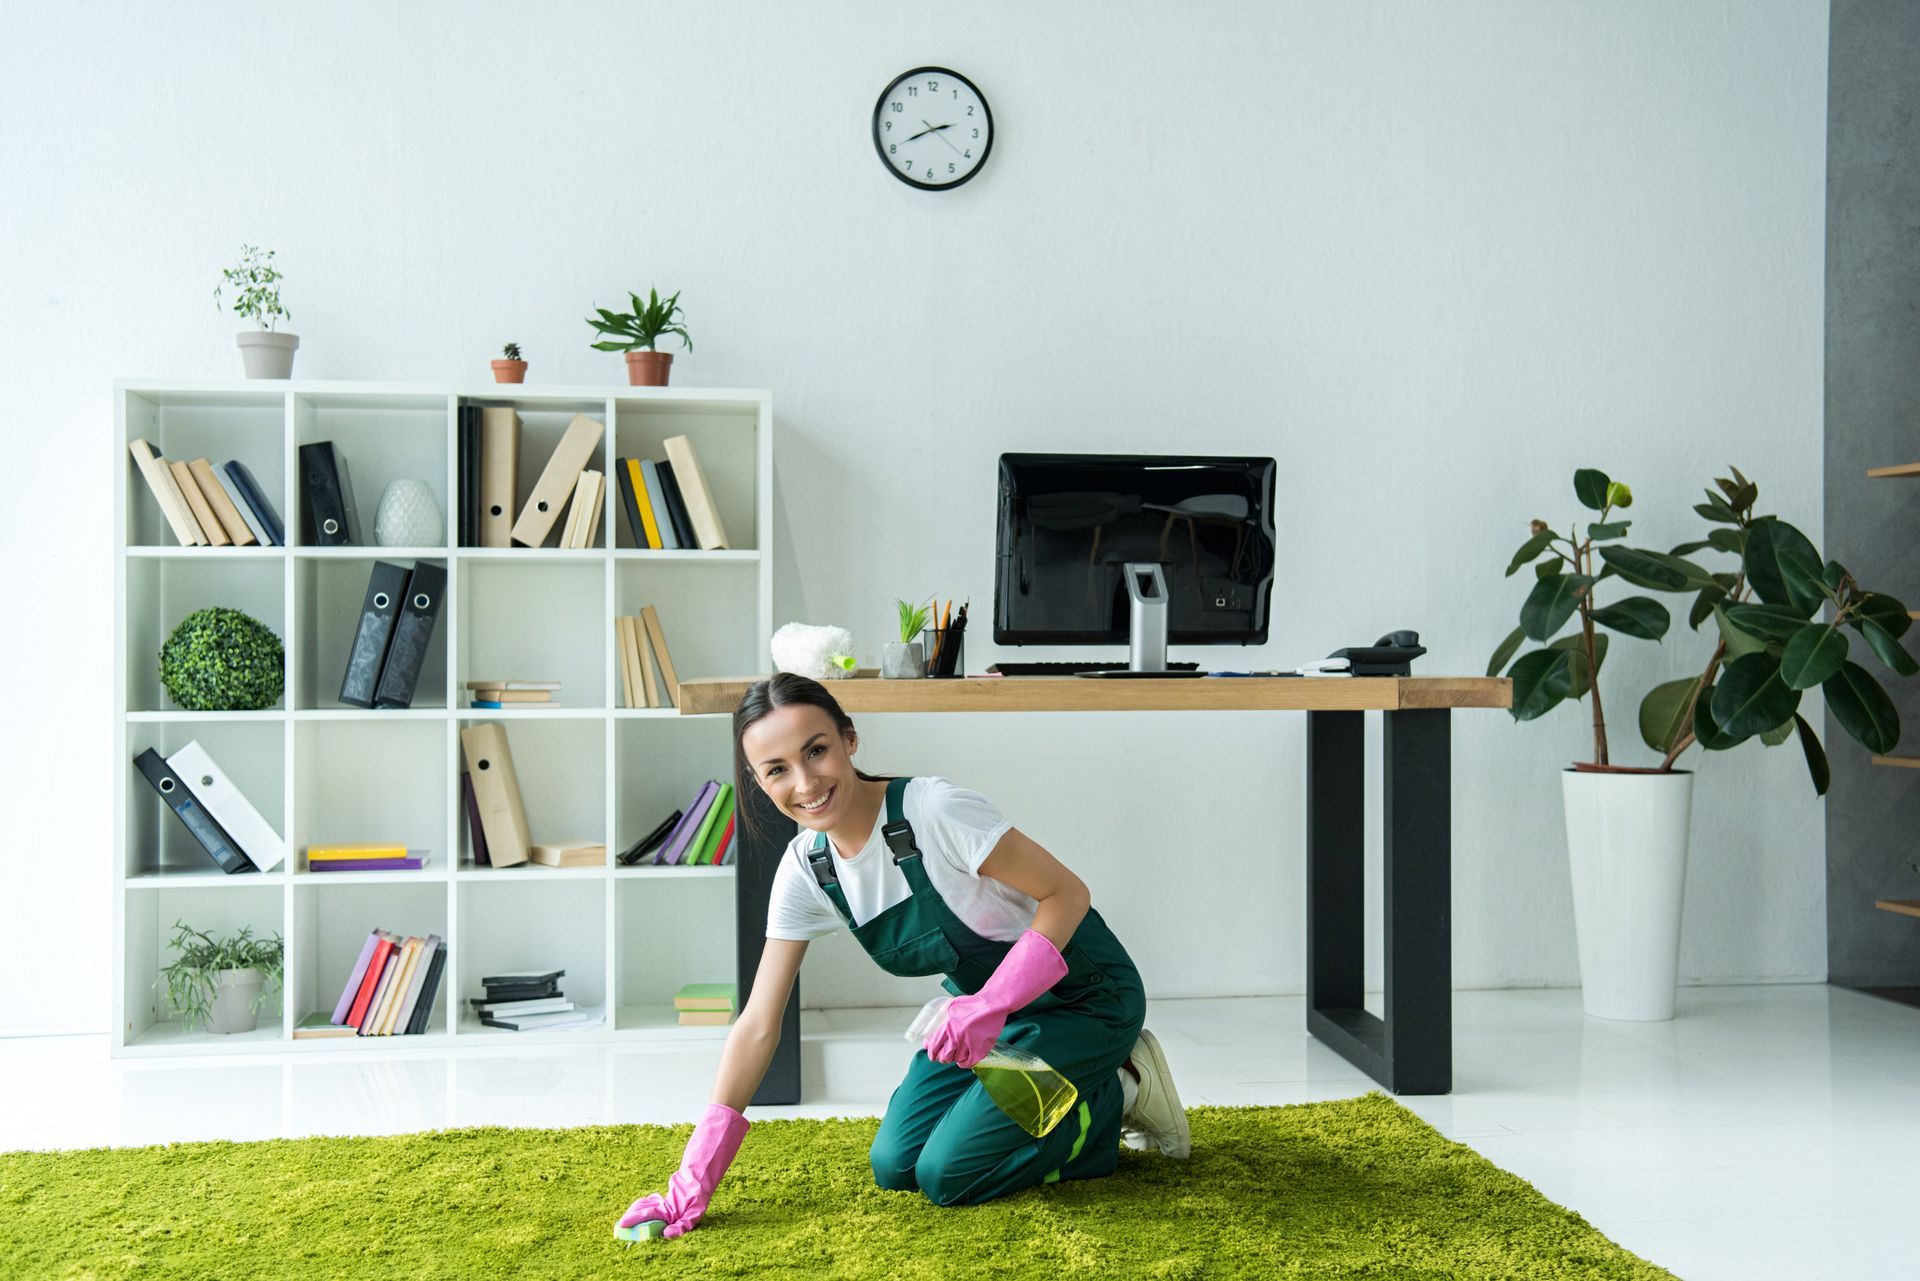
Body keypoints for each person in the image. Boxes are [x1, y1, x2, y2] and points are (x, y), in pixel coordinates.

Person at [618, 672, 1189, 1239]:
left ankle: (1120, 1087)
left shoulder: (935, 811)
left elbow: (1067, 894)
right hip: (990, 1021)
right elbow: (759, 1025)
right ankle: (1043, 1082)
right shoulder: (807, 868)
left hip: (1086, 998)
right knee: (896, 1164)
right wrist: (692, 1180)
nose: (805, 782)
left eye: (816, 751)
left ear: (849, 739)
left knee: (949, 1173)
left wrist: (992, 1001)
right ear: (759, 781)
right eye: (777, 770)